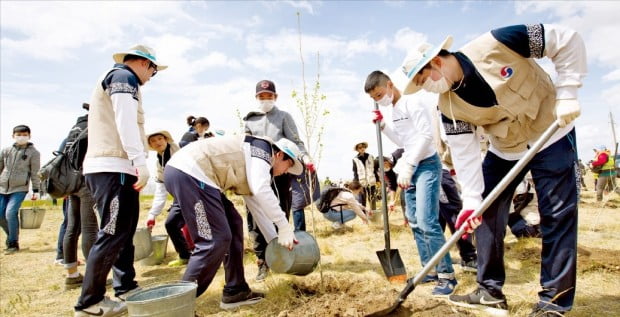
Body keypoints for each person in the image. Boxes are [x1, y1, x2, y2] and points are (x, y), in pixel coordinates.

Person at [399, 23, 585, 315]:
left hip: (551, 131)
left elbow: (565, 39)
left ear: (435, 61)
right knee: (483, 214)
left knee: (557, 215)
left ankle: (554, 301)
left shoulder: (499, 42)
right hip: (506, 148)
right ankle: (490, 291)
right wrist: (472, 201)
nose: (428, 89)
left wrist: (568, 92)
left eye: (425, 80)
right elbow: (465, 154)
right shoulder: (448, 107)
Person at [74, 44, 166, 317]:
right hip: (112, 167)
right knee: (112, 233)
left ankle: (125, 286)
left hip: (120, 168)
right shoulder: (123, 77)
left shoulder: (123, 80)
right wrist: (140, 161)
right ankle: (89, 302)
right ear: (143, 63)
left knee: (124, 232)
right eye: (153, 70)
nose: (152, 76)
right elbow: (125, 121)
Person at [163, 135, 301, 309]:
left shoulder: (254, 161)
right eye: (288, 166)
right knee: (214, 239)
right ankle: (175, 307)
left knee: (234, 223)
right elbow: (261, 189)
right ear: (280, 155)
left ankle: (235, 291)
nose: (286, 171)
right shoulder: (263, 152)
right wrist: (284, 226)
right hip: (189, 172)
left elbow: (257, 207)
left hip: (199, 177)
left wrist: (276, 244)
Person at [365, 70, 458, 296]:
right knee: (415, 221)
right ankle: (430, 269)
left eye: (379, 94)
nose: (379, 100)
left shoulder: (411, 102)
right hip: (412, 167)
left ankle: (447, 276)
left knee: (428, 221)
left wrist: (408, 166)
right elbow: (404, 141)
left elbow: (425, 137)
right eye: (375, 99)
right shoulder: (395, 110)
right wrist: (384, 127)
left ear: (389, 84)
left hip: (426, 165)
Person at [243, 79, 314, 281]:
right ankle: (262, 262)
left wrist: (305, 157)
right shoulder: (250, 120)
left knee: (280, 214)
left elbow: (296, 141)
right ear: (256, 98)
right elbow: (245, 146)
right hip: (256, 176)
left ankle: (279, 256)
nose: (265, 100)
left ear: (275, 97)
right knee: (255, 219)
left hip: (281, 174)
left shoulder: (283, 117)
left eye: (269, 96)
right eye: (261, 97)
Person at [61, 105, 98, 290]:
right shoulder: (93, 127)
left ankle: (72, 275)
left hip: (71, 183)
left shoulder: (73, 129)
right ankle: (94, 278)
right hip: (86, 181)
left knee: (72, 227)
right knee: (90, 228)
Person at [143, 130, 191, 267]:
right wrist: (152, 214)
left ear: (166, 139)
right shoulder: (159, 163)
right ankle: (185, 255)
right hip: (179, 197)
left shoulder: (180, 151)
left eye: (160, 138)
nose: (157, 142)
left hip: (193, 193)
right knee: (171, 224)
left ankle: (211, 255)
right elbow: (160, 190)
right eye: (153, 141)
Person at [0, 124, 41, 254]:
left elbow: (35, 173)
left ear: (29, 136)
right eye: (18, 135)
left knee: (10, 213)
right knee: (1, 214)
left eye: (24, 135)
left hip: (19, 188)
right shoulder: (6, 150)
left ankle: (13, 243)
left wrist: (36, 190)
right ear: (13, 136)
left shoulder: (34, 153)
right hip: (2, 187)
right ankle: (12, 235)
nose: (21, 137)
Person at [291, 165, 320, 231]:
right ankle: (300, 233)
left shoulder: (299, 160)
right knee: (297, 208)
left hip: (298, 194)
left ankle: (300, 233)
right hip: (297, 193)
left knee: (297, 208)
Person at [352, 142, 379, 210]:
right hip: (362, 183)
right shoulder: (355, 159)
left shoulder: (370, 156)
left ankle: (373, 215)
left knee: (372, 199)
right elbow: (355, 173)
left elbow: (374, 169)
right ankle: (364, 215)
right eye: (360, 148)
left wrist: (378, 180)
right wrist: (357, 184)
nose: (362, 149)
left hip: (371, 181)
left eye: (363, 147)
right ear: (357, 149)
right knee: (362, 200)